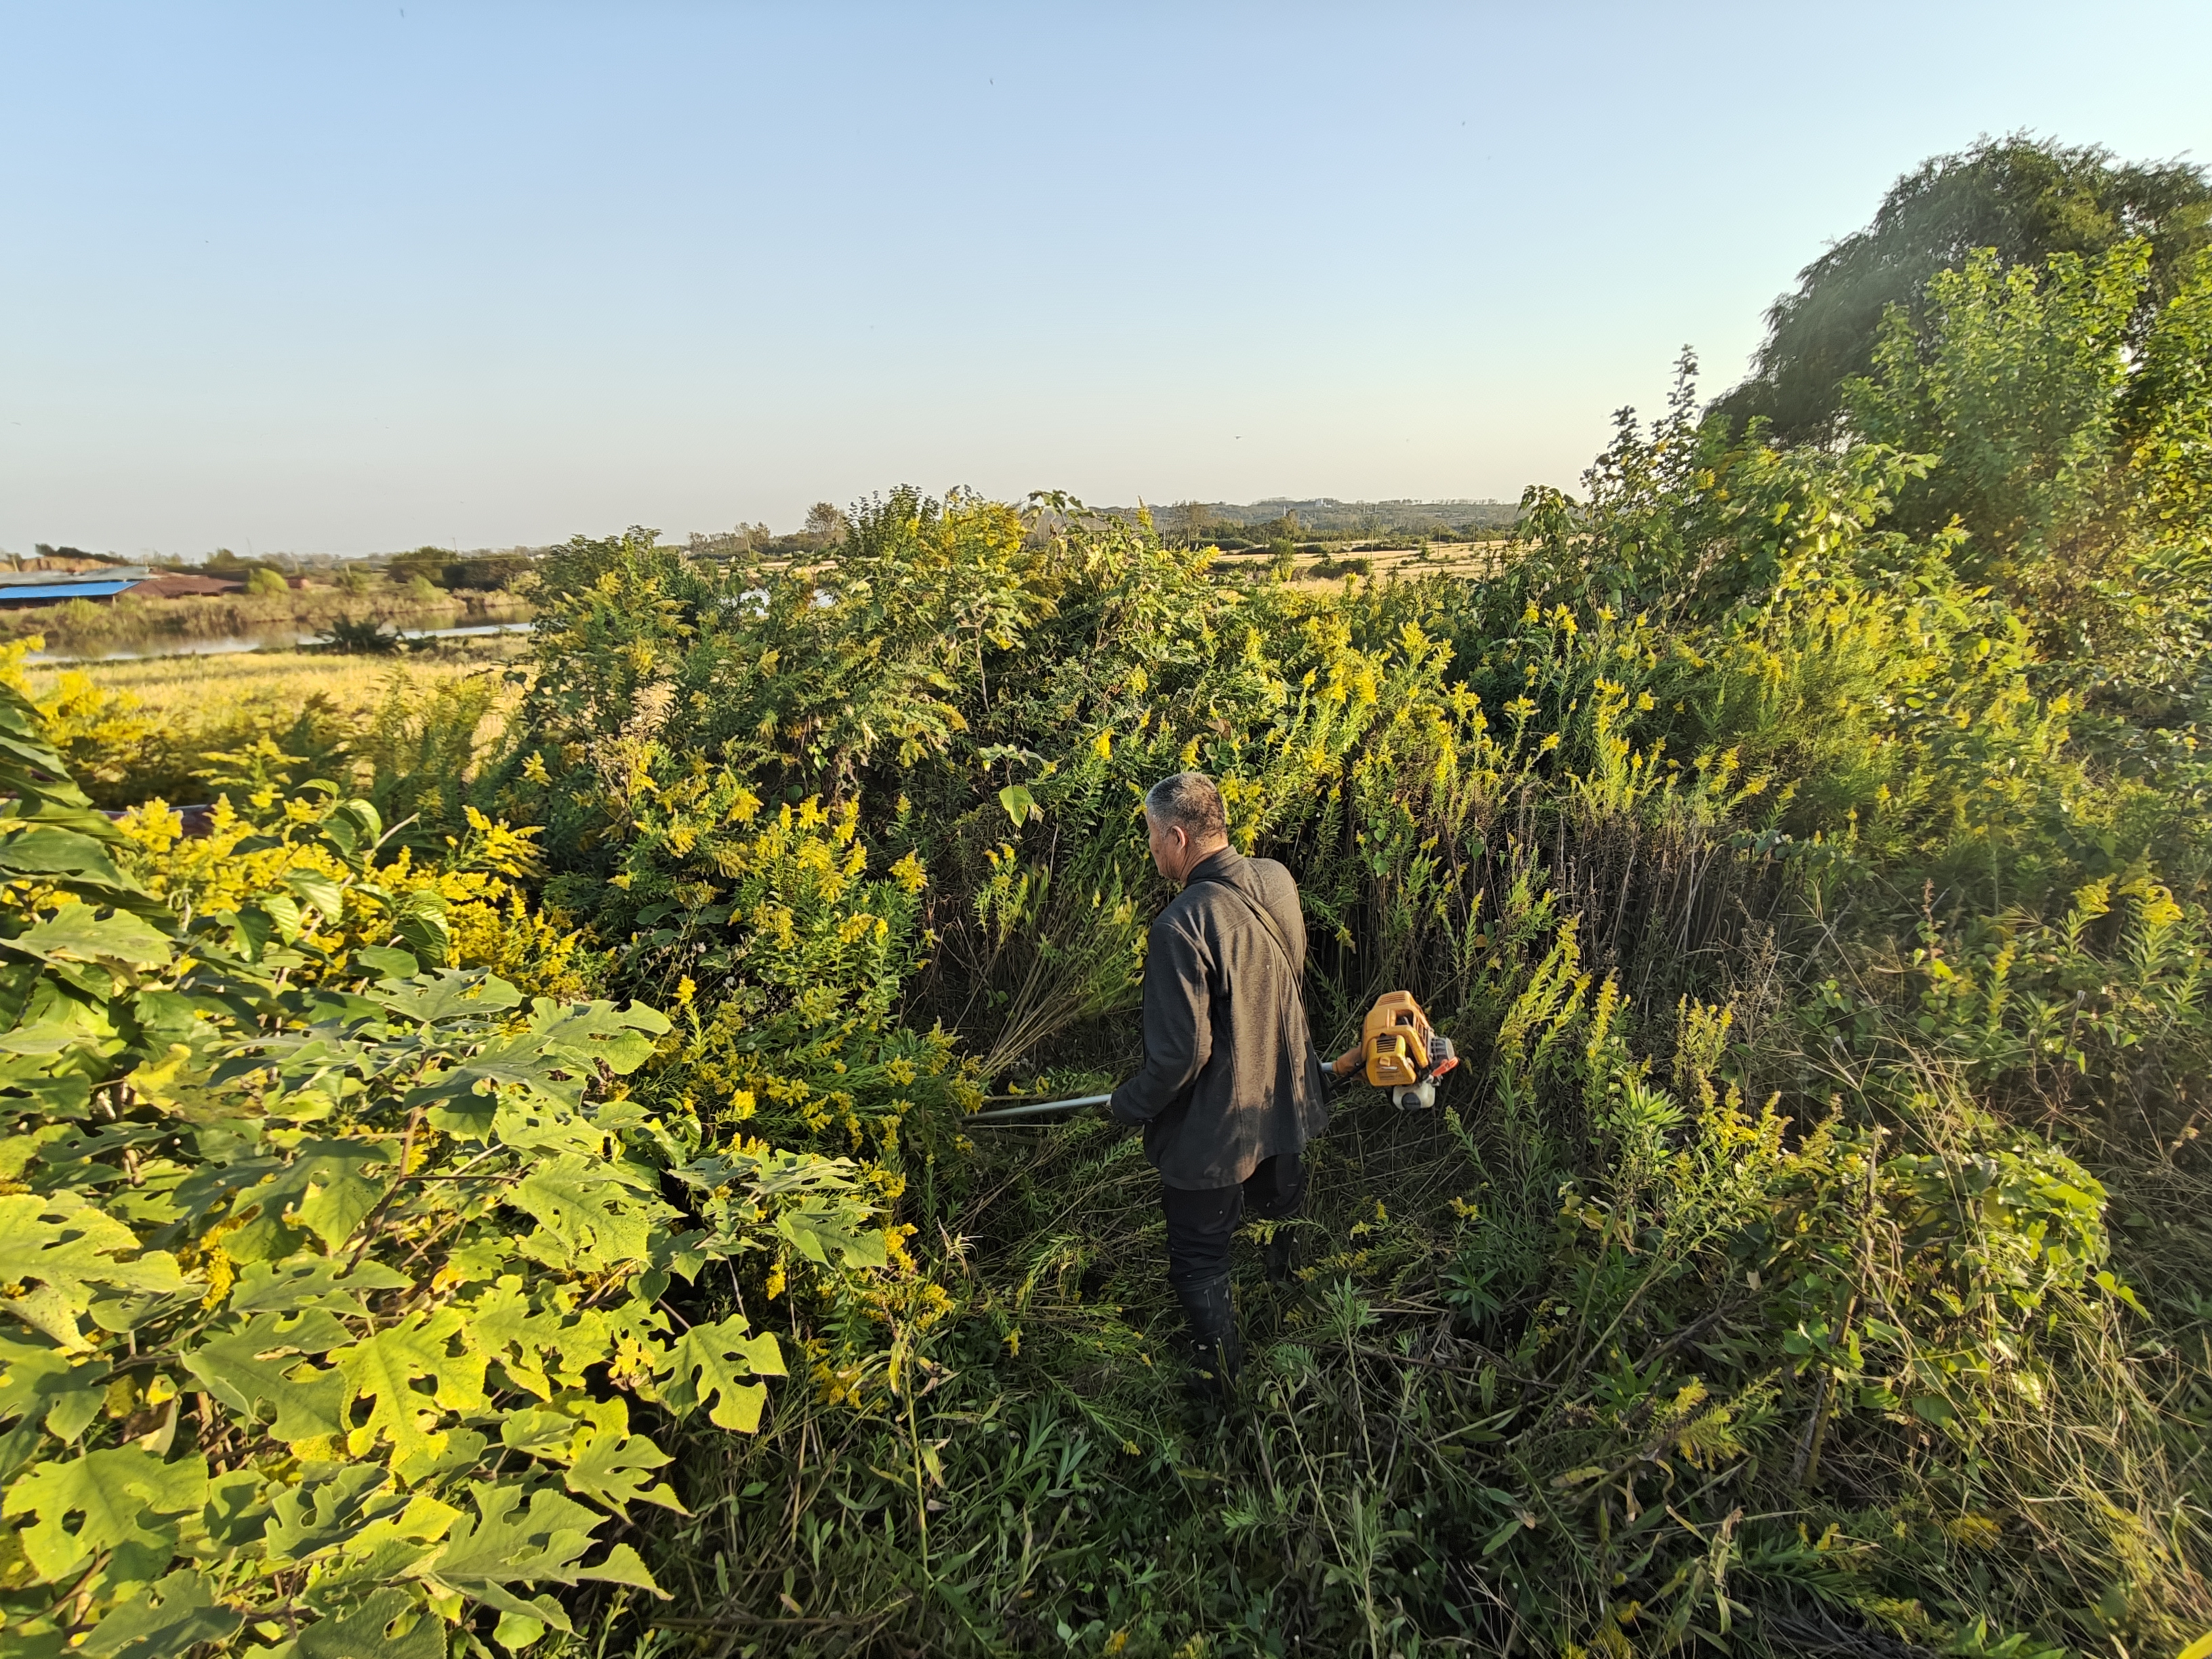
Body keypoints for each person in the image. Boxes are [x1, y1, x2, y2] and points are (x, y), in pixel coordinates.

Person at [1108, 771, 1348, 1402]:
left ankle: (1220, 1393)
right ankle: (1292, 1318)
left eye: (1153, 837)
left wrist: (1127, 1103)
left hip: (1215, 1139)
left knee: (1200, 1258)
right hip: (1286, 1104)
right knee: (1281, 1213)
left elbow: (1181, 1057)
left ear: (1179, 837)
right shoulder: (1277, 880)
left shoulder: (1180, 926)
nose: (1152, 850)